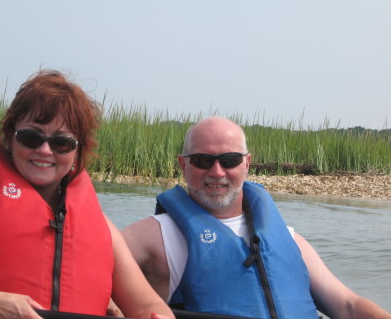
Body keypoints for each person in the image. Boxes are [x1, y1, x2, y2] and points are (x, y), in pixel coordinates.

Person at [0, 70, 174, 319]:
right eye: (31, 137)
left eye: (61, 143)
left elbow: (146, 304)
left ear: (77, 152)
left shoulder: (104, 230)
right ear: (10, 137)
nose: (44, 150)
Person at [122, 116, 391, 319]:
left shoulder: (288, 239)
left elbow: (348, 306)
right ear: (183, 164)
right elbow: (91, 260)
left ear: (247, 163)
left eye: (229, 160)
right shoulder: (157, 234)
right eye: (203, 160)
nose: (217, 172)